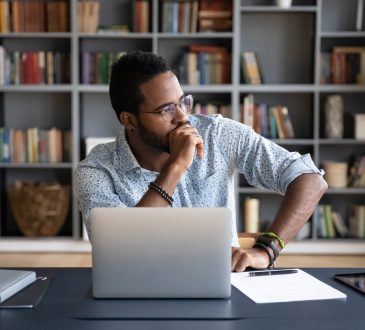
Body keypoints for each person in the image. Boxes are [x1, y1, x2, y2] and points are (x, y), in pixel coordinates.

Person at [75, 51, 327, 272]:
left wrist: (268, 248)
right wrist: (176, 166)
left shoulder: (217, 134)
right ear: (129, 120)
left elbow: (311, 179)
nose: (183, 117)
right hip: (140, 296)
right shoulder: (96, 171)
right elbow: (119, 252)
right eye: (166, 110)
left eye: (183, 102)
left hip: (224, 285)